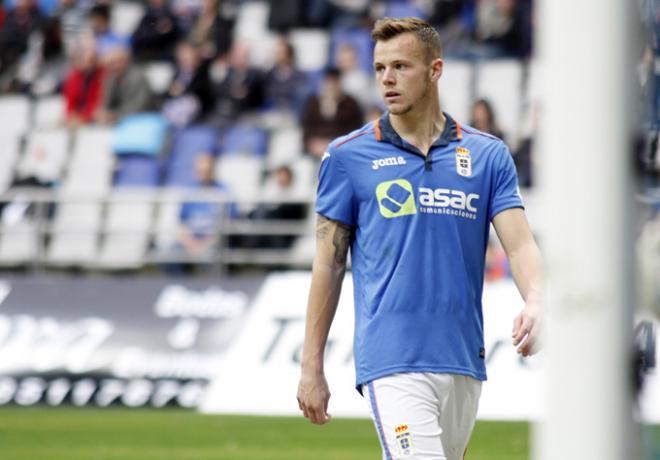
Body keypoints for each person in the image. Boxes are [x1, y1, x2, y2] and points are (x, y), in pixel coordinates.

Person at [296, 17, 543, 460]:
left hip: (464, 358)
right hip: (393, 359)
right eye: (379, 68)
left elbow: (520, 244)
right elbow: (328, 263)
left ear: (435, 70)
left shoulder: (487, 155)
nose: (387, 79)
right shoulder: (348, 156)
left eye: (401, 66)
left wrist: (538, 299)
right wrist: (311, 365)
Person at [301, 68, 363, 159]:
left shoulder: (350, 104)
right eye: (328, 83)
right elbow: (306, 128)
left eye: (334, 83)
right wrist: (312, 145)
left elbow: (354, 132)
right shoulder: (313, 103)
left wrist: (332, 143)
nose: (331, 87)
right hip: (315, 152)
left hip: (341, 152)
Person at [96, 46, 153, 124]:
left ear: (127, 61)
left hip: (141, 119)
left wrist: (116, 115)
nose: (114, 66)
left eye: (117, 62)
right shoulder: (111, 78)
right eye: (110, 63)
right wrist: (103, 113)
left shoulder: (138, 77)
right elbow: (106, 102)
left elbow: (140, 106)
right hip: (119, 118)